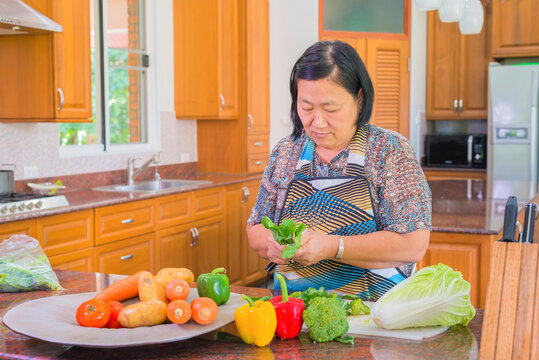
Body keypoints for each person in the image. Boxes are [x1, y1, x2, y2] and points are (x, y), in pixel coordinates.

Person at [246, 40, 431, 301]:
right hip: (294, 313)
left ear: (359, 98)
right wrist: (272, 244)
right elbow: (255, 229)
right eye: (306, 108)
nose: (317, 122)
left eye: (330, 109)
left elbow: (413, 243)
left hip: (375, 317)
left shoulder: (390, 151)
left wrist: (334, 246)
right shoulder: (285, 152)